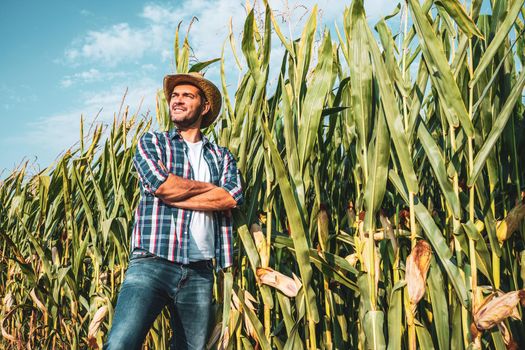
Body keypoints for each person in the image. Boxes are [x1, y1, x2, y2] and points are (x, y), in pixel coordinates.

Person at [104, 72, 243, 350]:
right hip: (152, 261)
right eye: (174, 96)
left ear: (204, 107)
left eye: (186, 95)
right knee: (120, 344)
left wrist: (176, 192)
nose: (177, 100)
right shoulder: (153, 143)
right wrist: (204, 192)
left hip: (200, 271)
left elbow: (231, 197)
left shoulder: (222, 156)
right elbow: (161, 185)